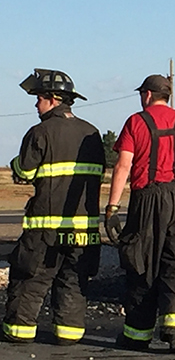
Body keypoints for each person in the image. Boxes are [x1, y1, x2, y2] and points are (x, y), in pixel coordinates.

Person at [105, 74, 175, 353]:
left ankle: (137, 335)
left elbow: (123, 166)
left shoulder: (136, 122)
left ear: (148, 95)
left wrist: (112, 207)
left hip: (147, 199)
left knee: (141, 263)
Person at [2, 69, 105, 345]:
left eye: (38, 99)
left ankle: (18, 332)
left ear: (52, 99)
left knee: (30, 278)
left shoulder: (40, 132)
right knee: (73, 280)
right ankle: (68, 335)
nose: (36, 105)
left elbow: (24, 171)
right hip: (84, 230)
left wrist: (15, 164)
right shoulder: (92, 133)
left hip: (46, 228)